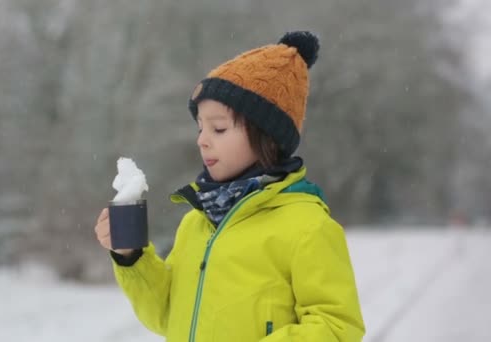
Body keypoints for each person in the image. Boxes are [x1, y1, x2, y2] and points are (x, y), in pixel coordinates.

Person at [94, 31, 365, 342]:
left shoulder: (308, 227)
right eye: (200, 128)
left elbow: (337, 327)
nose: (202, 140)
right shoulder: (197, 222)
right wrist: (131, 256)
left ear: (267, 136)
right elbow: (167, 316)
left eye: (219, 128)